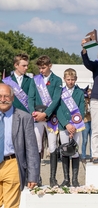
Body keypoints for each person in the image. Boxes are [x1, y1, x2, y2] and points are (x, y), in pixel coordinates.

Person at [0, 83, 40, 208]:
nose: (2, 99)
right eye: (0, 96)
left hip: (12, 163)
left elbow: (31, 148)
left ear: (12, 97)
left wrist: (33, 176)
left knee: (11, 205)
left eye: (6, 96)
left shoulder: (24, 118)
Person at [28, 55, 62, 187]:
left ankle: (52, 178)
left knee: (52, 146)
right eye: (39, 68)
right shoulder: (34, 80)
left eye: (43, 68)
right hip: (37, 116)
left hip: (51, 117)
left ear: (49, 66)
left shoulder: (57, 80)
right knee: (37, 146)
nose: (41, 70)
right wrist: (34, 113)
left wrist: (46, 114)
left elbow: (56, 99)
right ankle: (37, 177)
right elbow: (31, 98)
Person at [56, 68, 85, 187]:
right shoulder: (60, 92)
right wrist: (66, 124)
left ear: (76, 79)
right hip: (64, 126)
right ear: (64, 79)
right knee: (65, 151)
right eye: (68, 79)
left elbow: (81, 110)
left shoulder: (80, 93)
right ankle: (66, 179)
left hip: (76, 127)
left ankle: (75, 179)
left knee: (75, 152)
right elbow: (57, 109)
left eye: (73, 79)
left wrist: (74, 126)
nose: (70, 81)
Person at [81, 86, 92, 164]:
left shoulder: (94, 101)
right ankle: (83, 156)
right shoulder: (83, 101)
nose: (89, 94)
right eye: (88, 92)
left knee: (92, 140)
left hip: (93, 121)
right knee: (85, 140)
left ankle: (92, 156)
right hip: (85, 121)